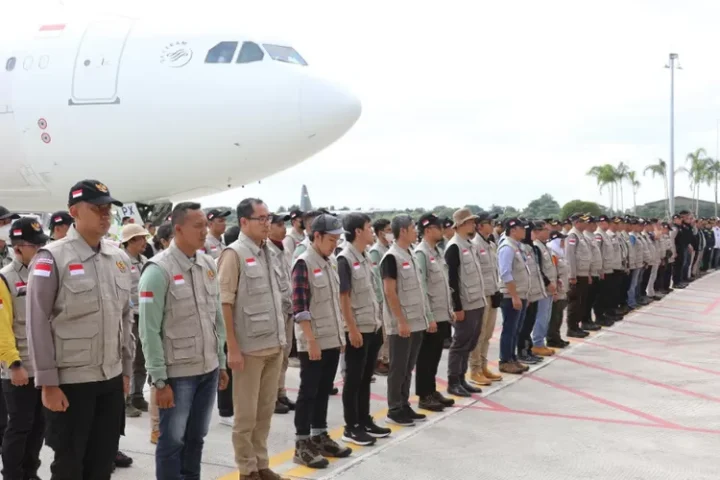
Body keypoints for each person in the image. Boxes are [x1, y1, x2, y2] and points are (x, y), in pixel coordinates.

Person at [26, 179, 134, 480]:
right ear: (74, 211)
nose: (105, 214)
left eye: (107, 208)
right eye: (96, 208)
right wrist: (48, 383)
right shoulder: (51, 258)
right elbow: (37, 322)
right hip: (71, 383)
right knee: (69, 465)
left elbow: (125, 317)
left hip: (109, 380)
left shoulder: (119, 259)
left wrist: (126, 369)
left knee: (102, 464)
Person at [138, 202, 229, 480]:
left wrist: (221, 363)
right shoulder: (158, 270)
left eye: (205, 225)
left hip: (208, 370)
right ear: (178, 229)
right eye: (198, 226)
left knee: (196, 438)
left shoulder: (207, 265)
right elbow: (148, 331)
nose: (205, 231)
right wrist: (159, 381)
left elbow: (216, 317)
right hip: (178, 376)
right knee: (172, 442)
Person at [218, 198, 288, 480]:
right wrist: (231, 347)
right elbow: (224, 303)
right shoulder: (233, 255)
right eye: (261, 218)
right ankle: (247, 469)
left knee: (264, 413)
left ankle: (261, 463)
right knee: (245, 417)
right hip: (248, 349)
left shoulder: (270, 251)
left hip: (274, 343)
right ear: (244, 222)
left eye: (268, 217)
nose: (266, 223)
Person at [291, 214, 351, 468]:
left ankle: (319, 434)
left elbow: (333, 303)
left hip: (330, 337)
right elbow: (300, 306)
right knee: (308, 392)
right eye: (330, 239)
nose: (334, 244)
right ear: (316, 236)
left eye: (338, 240)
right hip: (314, 341)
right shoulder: (303, 263)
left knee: (323, 390)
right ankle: (302, 442)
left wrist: (340, 334)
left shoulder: (330, 261)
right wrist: (310, 340)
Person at [0, 217, 49, 480]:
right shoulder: (4, 279)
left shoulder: (44, 273)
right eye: (35, 245)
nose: (41, 250)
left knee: (39, 425)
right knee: (19, 426)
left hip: (43, 367)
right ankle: (12, 476)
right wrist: (14, 364)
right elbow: (2, 329)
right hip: (18, 367)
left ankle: (30, 472)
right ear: (18, 248)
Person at [337, 213, 391, 445]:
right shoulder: (344, 259)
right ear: (358, 231)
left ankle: (364, 419)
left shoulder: (365, 256)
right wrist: (351, 329)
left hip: (372, 325)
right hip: (358, 328)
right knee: (354, 379)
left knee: (365, 377)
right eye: (369, 228)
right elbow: (344, 297)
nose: (372, 232)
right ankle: (351, 426)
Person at [381, 215, 429, 425]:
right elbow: (390, 292)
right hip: (402, 323)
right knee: (398, 367)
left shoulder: (409, 254)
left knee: (408, 366)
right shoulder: (391, 257)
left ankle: (404, 403)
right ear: (402, 231)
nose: (415, 231)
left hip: (416, 320)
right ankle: (394, 408)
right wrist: (400, 321)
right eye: (412, 228)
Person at [413, 213, 456, 411]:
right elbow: (421, 286)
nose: (442, 230)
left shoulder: (436, 251)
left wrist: (449, 309)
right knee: (426, 357)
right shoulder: (421, 253)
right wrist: (428, 316)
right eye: (439, 227)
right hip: (431, 316)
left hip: (441, 313)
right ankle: (424, 395)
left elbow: (443, 285)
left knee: (435, 355)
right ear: (428, 230)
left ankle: (431, 391)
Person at [443, 208, 486, 396]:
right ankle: (453, 381)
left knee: (471, 342)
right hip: (465, 304)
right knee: (460, 343)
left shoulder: (469, 245)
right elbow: (451, 280)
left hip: (477, 301)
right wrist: (457, 307)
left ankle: (461, 378)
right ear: (460, 225)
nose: (474, 225)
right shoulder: (454, 247)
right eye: (470, 222)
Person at [266, 213, 296, 414]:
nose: (282, 228)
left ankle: (281, 392)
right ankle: (271, 397)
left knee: (285, 356)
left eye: (283, 224)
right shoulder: (266, 251)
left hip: (288, 310)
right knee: (275, 357)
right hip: (276, 312)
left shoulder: (283, 250)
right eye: (278, 225)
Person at [121, 223, 152, 418]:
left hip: (145, 315)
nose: (145, 242)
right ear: (131, 241)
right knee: (128, 359)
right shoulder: (121, 261)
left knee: (141, 358)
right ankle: (125, 400)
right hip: (130, 317)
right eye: (141, 238)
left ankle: (137, 394)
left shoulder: (145, 260)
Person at [469, 213, 503, 384]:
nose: (493, 224)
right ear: (480, 226)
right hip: (481, 296)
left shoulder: (490, 244)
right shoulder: (474, 245)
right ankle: (474, 369)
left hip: (492, 293)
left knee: (488, 334)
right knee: (479, 334)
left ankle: (483, 366)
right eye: (490, 222)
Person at [497, 218, 530, 374]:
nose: (525, 231)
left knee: (516, 329)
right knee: (509, 329)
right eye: (522, 228)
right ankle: (505, 360)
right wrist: (515, 296)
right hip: (510, 296)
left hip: (520, 294)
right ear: (513, 230)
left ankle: (512, 358)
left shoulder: (516, 246)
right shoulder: (507, 247)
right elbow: (505, 273)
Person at [530, 220, 558, 356]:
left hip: (550, 287)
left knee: (546, 316)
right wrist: (548, 283)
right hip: (543, 288)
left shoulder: (545, 246)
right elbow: (538, 269)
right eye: (545, 230)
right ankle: (537, 343)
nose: (549, 232)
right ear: (536, 232)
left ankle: (540, 342)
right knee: (541, 316)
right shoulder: (536, 247)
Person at [368, 219, 392, 376]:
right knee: (382, 331)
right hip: (381, 298)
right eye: (388, 230)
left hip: (389, 297)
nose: (391, 233)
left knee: (388, 331)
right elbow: (377, 277)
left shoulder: (388, 248)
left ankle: (386, 359)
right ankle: (379, 362)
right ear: (379, 232)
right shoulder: (376, 251)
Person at [565, 213, 593, 338]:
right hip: (576, 275)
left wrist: (588, 273)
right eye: (583, 221)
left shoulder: (580, 235)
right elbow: (570, 256)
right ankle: (572, 328)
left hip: (583, 273)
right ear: (576, 222)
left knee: (582, 301)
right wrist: (572, 275)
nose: (586, 224)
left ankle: (577, 326)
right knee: (575, 302)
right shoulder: (572, 235)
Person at [545, 231, 570, 348]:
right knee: (554, 316)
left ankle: (557, 337)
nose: (563, 243)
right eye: (561, 240)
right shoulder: (553, 253)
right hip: (556, 290)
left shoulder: (559, 253)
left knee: (559, 315)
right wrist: (554, 292)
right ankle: (552, 338)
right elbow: (553, 273)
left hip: (562, 288)